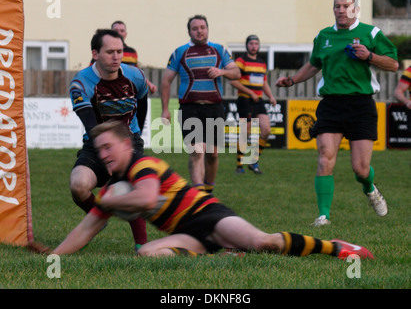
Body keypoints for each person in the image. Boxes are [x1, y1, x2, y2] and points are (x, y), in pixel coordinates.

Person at [31, 120, 374, 261]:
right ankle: (225, 252)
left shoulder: (142, 164)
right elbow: (86, 228)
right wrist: (55, 256)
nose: (102, 154)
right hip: (187, 233)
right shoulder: (115, 188)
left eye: (108, 147)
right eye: (98, 149)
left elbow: (148, 198)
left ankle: (338, 248)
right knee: (147, 253)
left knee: (264, 243)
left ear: (125, 145)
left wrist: (108, 200)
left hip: (208, 214)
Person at [275, 0, 398, 226]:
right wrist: (292, 80)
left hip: (361, 104)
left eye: (345, 6)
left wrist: (369, 55)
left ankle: (370, 189)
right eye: (337, 6)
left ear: (356, 9)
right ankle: (323, 216)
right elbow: (313, 65)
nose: (340, 10)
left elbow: (393, 64)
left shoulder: (371, 33)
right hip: (331, 104)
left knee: (360, 169)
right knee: (325, 158)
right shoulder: (324, 36)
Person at [68, 29, 149, 247]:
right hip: (96, 143)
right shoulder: (81, 83)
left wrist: (136, 135)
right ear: (95, 54)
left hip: (127, 142)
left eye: (120, 51)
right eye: (110, 52)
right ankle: (98, 217)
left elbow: (142, 103)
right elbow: (91, 125)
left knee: (127, 187)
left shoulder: (135, 75)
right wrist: (107, 157)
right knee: (78, 185)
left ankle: (141, 245)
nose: (116, 57)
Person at [161, 14, 241, 193]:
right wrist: (165, 109)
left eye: (202, 27)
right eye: (195, 28)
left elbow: (236, 73)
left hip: (215, 108)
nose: (199, 31)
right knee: (197, 151)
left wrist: (221, 71)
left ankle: (208, 191)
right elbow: (166, 81)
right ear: (189, 31)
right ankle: (199, 194)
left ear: (207, 29)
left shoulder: (219, 50)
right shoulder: (180, 52)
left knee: (212, 154)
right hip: (190, 108)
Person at [91, 21, 157, 132]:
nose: (119, 33)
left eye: (122, 30)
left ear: (126, 33)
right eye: (116, 31)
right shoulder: (102, 50)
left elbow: (135, 71)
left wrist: (148, 83)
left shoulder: (132, 52)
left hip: (129, 91)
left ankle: (135, 137)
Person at [230, 35, 276, 174]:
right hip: (245, 100)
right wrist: (250, 92)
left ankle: (253, 161)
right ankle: (239, 165)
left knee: (266, 130)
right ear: (247, 45)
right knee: (246, 131)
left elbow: (264, 82)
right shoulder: (241, 61)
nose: (254, 46)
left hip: (258, 100)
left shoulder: (262, 63)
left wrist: (271, 96)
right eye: (251, 43)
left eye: (256, 43)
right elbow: (233, 81)